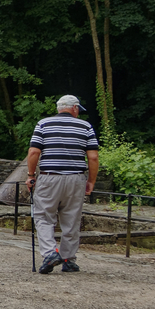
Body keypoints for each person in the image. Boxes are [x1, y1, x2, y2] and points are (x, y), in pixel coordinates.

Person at [26, 94, 99, 274]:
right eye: (78, 110)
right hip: (76, 179)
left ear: (59, 108)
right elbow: (93, 157)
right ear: (74, 108)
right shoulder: (86, 126)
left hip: (49, 177)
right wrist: (91, 181)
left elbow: (34, 151)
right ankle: (68, 259)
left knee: (43, 216)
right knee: (72, 219)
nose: (78, 113)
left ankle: (50, 253)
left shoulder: (43, 124)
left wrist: (30, 175)